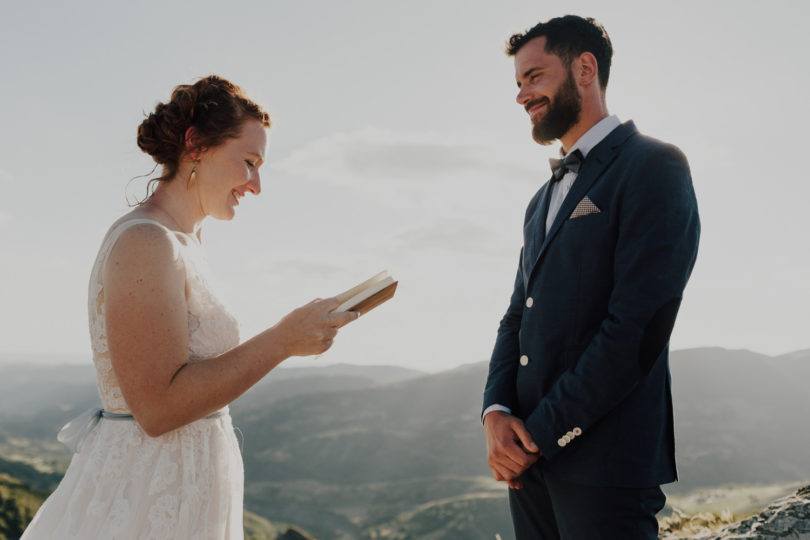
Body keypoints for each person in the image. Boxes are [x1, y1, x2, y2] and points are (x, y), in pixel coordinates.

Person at [22, 75, 357, 539]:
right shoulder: (146, 241)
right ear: (196, 144)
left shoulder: (187, 240)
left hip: (190, 486)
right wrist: (283, 341)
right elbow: (157, 408)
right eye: (249, 163)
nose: (256, 185)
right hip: (145, 493)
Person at [481, 15, 700, 540]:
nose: (521, 95)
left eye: (534, 76)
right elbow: (518, 314)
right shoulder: (541, 201)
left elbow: (637, 328)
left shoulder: (655, 165)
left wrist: (539, 433)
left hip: (605, 465)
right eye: (517, 83)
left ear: (584, 69)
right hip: (530, 470)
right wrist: (495, 410)